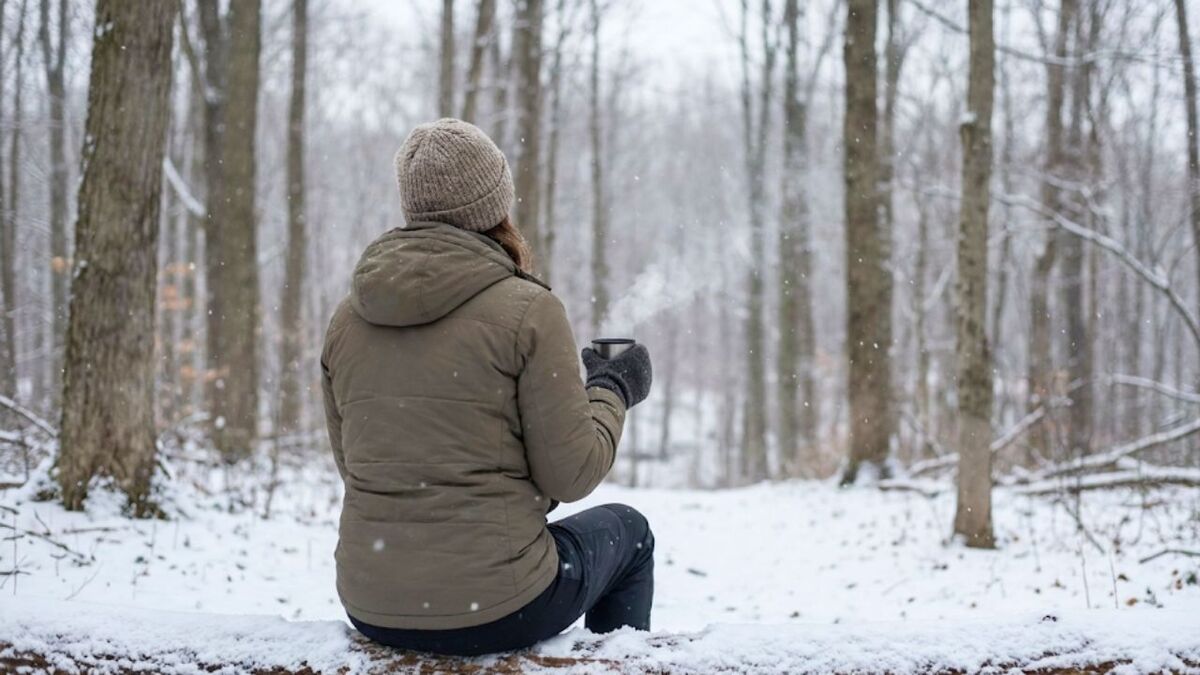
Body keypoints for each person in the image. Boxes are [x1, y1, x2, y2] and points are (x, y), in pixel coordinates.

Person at [320, 118, 655, 656]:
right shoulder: (528, 310)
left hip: (372, 603)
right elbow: (571, 475)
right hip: (498, 605)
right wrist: (613, 387)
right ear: (495, 204)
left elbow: (358, 466)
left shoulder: (347, 319)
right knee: (629, 531)